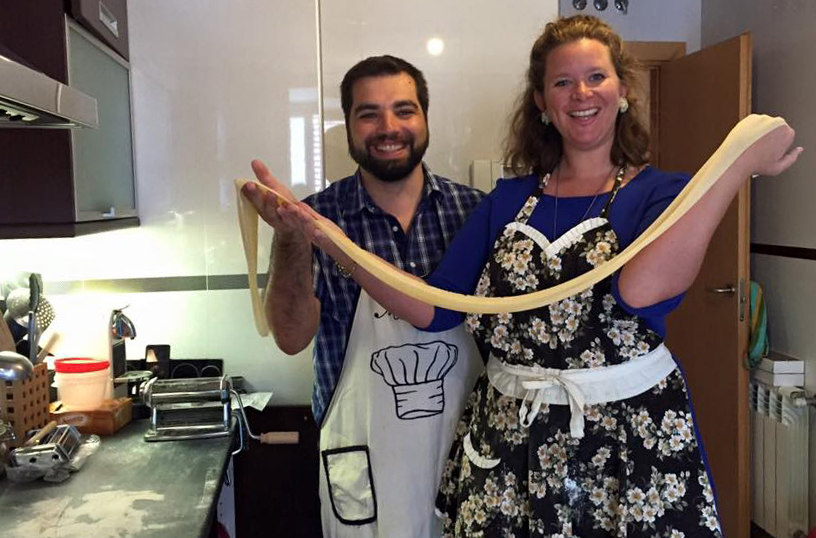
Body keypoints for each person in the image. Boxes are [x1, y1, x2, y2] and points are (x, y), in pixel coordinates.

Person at [268, 15, 802, 538]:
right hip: (512, 435)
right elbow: (435, 308)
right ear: (542, 103)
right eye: (562, 82)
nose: (581, 94)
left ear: (623, 90)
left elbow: (639, 291)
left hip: (626, 439)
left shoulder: (661, 193)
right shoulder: (507, 200)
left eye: (596, 77)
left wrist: (735, 166)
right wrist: (325, 236)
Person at [242, 55, 485, 538]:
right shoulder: (314, 218)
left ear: (426, 117)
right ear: (349, 126)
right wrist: (291, 237)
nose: (388, 127)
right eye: (369, 113)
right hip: (361, 456)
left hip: (466, 451)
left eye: (404, 110)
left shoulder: (474, 212)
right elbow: (291, 338)